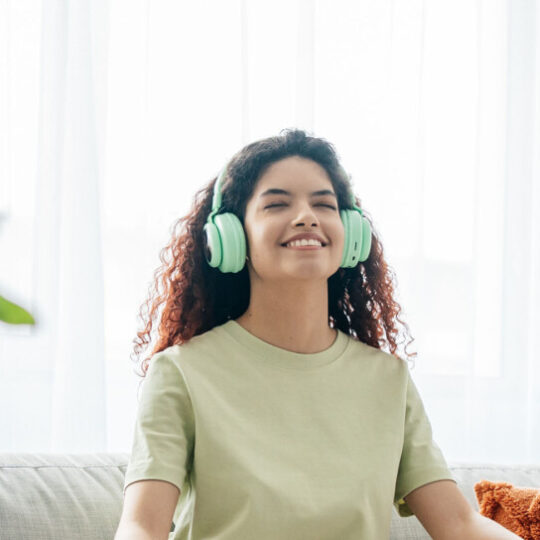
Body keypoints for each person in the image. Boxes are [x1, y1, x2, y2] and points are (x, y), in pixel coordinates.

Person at [115, 129, 520, 539]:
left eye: (323, 204)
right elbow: (141, 528)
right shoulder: (182, 372)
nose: (306, 215)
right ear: (230, 236)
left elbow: (458, 523)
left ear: (351, 233)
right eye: (276, 204)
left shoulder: (387, 380)